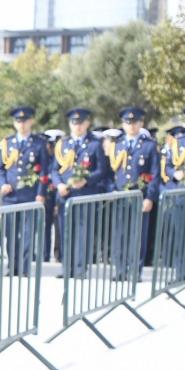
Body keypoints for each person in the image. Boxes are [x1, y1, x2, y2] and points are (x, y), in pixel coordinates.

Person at [54, 108, 110, 278]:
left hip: (85, 194)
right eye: (74, 123)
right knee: (65, 232)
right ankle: (67, 267)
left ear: (87, 123)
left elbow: (102, 170)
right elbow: (54, 169)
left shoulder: (94, 144)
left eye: (80, 123)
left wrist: (86, 180)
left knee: (82, 232)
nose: (77, 126)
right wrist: (59, 185)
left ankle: (79, 268)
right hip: (66, 195)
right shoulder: (63, 144)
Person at [0, 105, 51, 274]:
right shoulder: (8, 143)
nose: (22, 124)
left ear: (31, 122)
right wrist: (2, 183)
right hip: (11, 196)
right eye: (18, 121)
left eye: (25, 121)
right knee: (10, 234)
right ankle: (13, 266)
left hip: (30, 194)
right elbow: (1, 168)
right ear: (14, 123)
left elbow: (44, 171)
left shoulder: (39, 144)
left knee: (28, 234)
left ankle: (25, 267)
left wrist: (41, 193)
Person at [109, 106, 158, 271]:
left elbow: (155, 173)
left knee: (138, 234)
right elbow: (110, 172)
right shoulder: (117, 145)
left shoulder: (149, 146)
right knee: (119, 234)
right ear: (123, 124)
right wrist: (112, 190)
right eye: (128, 122)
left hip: (140, 195)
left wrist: (150, 197)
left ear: (141, 123)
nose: (131, 126)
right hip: (120, 195)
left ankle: (135, 269)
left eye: (135, 122)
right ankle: (120, 269)